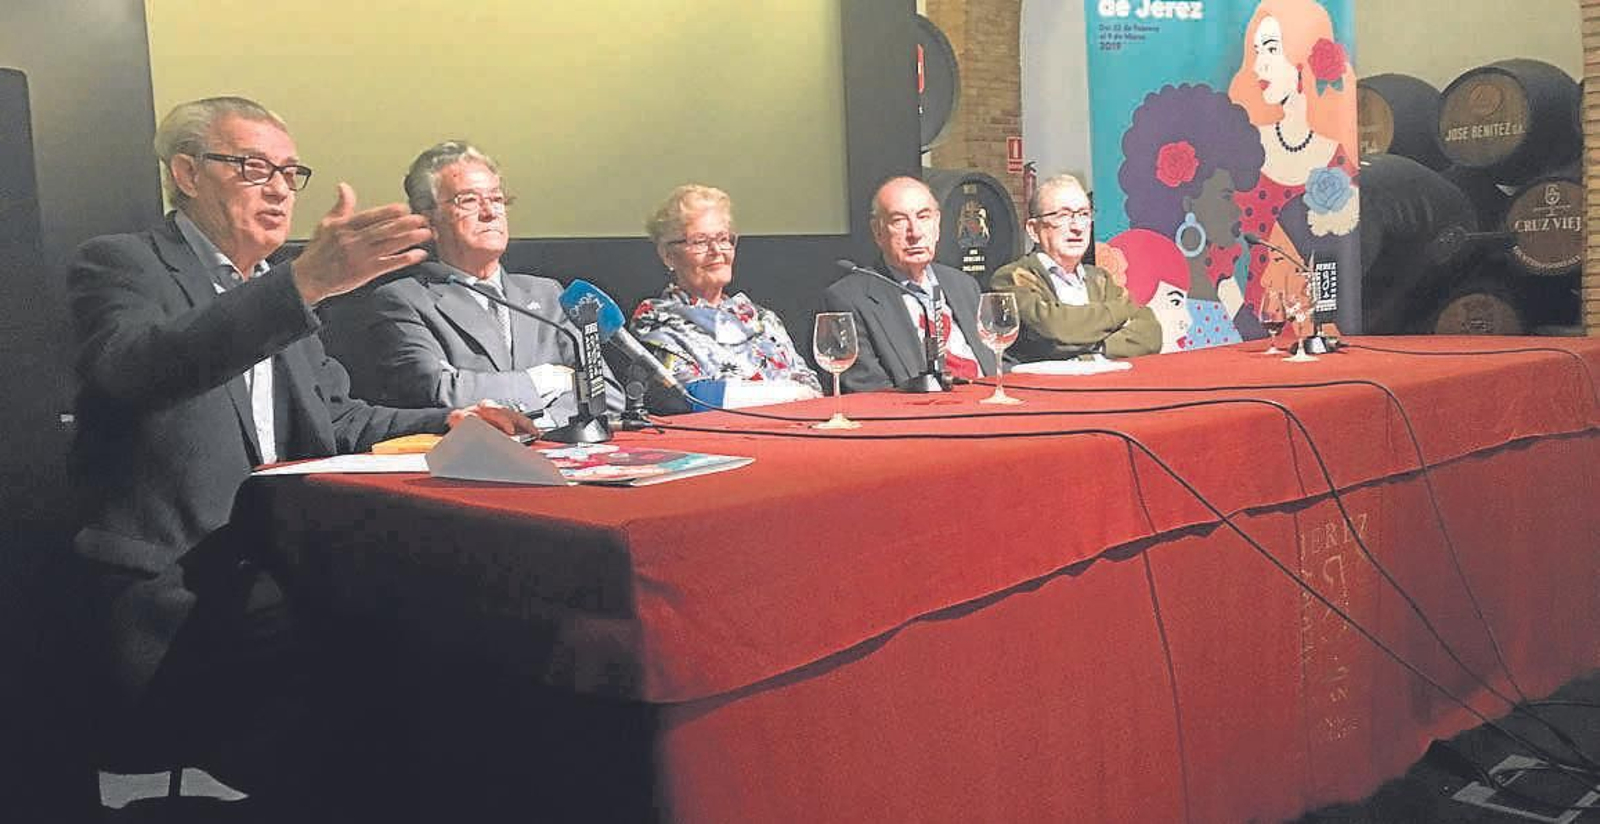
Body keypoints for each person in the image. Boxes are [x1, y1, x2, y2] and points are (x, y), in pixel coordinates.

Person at [66, 97, 537, 816]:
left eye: (291, 171)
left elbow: (341, 419)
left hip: (278, 563)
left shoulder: (277, 291)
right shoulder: (124, 264)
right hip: (178, 577)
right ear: (186, 173)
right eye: (253, 167)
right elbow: (138, 369)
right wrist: (304, 284)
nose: (281, 188)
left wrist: (449, 419)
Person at [318, 141, 622, 426]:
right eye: (469, 201)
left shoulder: (548, 294)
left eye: (496, 199)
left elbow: (606, 395)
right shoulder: (402, 300)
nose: (490, 212)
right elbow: (440, 391)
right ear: (429, 219)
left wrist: (542, 423)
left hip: (563, 458)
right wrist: (545, 381)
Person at [1227, 0, 1359, 338]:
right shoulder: (1244, 147)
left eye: (1271, 49)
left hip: (1317, 333)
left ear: (1303, 55)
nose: (1259, 66)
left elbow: (1339, 259)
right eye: (1256, 52)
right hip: (1244, 334)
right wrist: (1239, 317)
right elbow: (1217, 254)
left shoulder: (1339, 160)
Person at [628, 184, 822, 403]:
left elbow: (811, 386)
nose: (717, 251)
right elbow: (689, 397)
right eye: (700, 241)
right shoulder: (654, 321)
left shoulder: (761, 319)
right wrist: (787, 393)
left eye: (723, 239)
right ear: (668, 255)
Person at [1117, 83, 1267, 346]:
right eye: (1226, 196)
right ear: (1187, 202)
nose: (1237, 210)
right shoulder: (1152, 285)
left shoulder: (1226, 287)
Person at [820, 176, 996, 393]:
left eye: (923, 217)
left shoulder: (963, 285)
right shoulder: (850, 299)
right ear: (878, 231)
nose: (915, 233)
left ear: (937, 224)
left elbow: (996, 362)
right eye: (899, 220)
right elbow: (868, 390)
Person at [987, 174, 1160, 362]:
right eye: (1063, 215)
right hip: (1046, 388)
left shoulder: (1100, 279)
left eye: (1084, 214)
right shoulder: (1012, 278)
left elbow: (1151, 334)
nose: (1077, 227)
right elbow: (1055, 328)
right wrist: (1119, 313)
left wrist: (1096, 349)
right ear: (1033, 229)